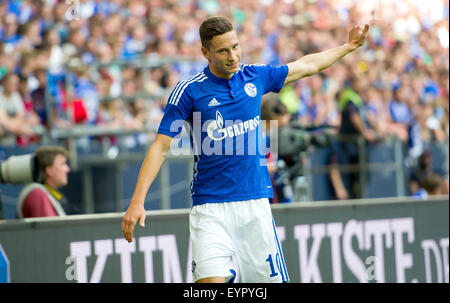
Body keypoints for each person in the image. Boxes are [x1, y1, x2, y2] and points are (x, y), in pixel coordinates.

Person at [122, 16, 369, 283]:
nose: (233, 56)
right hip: (210, 208)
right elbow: (160, 146)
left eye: (236, 46)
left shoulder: (255, 76)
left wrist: (347, 47)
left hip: (254, 205)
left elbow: (306, 65)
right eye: (223, 50)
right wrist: (137, 201)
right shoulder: (189, 91)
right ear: (205, 52)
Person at [16, 146, 70, 218]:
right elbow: (49, 228)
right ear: (49, 170)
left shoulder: (42, 192)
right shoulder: (37, 193)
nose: (67, 169)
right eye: (63, 164)